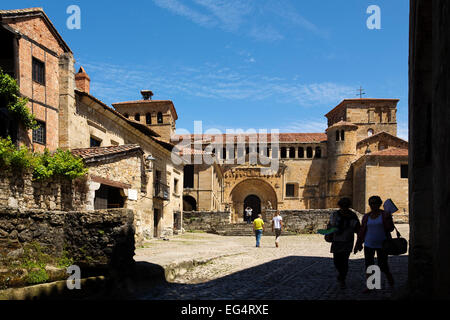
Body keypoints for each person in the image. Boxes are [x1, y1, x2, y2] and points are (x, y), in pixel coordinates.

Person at [354, 196, 395, 291]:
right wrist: (358, 244)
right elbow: (362, 231)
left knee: (383, 265)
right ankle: (371, 286)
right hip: (369, 244)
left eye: (375, 203)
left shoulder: (384, 215)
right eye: (371, 203)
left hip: (382, 244)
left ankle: (390, 280)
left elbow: (390, 228)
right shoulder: (366, 216)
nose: (373, 205)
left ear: (379, 204)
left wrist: (389, 219)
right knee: (369, 265)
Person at [328, 198, 360, 289]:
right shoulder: (335, 214)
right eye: (342, 206)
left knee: (344, 261)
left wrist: (358, 243)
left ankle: (342, 278)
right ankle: (341, 274)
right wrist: (329, 234)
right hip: (336, 241)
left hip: (347, 241)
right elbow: (330, 225)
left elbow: (358, 229)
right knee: (336, 261)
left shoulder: (353, 216)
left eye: (345, 206)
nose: (344, 208)